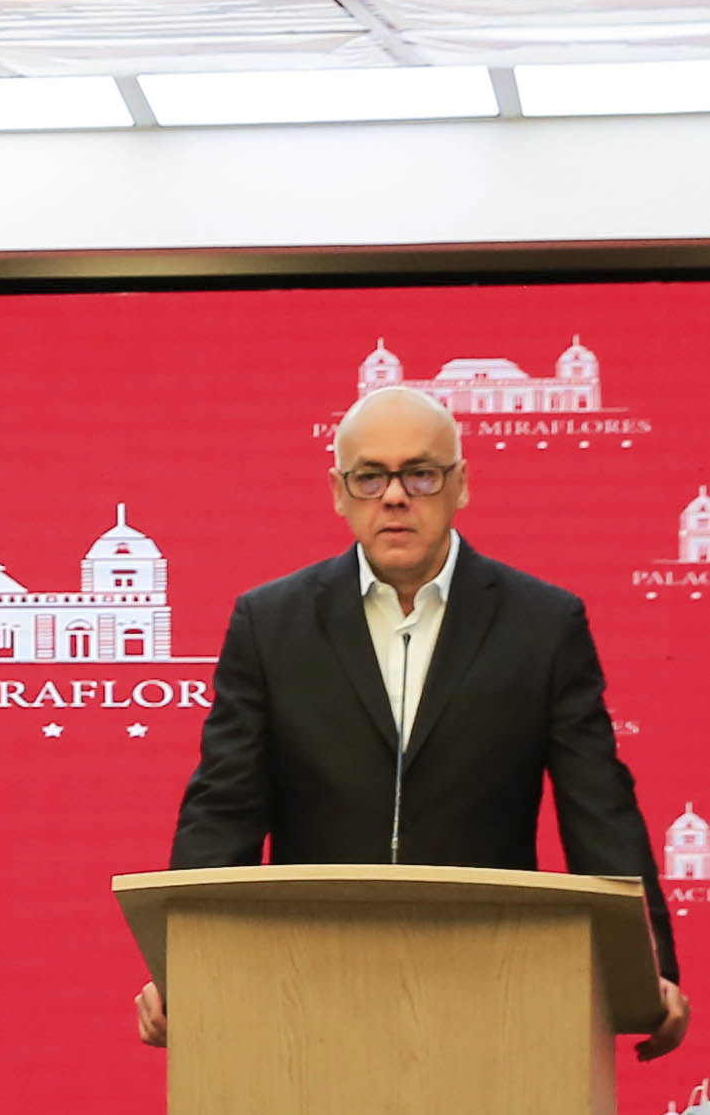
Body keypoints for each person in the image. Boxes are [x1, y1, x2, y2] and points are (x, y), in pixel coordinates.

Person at [138, 385, 688, 1058]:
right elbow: (223, 809)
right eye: (369, 476)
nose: (394, 496)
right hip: (307, 986)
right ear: (338, 492)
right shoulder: (269, 624)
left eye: (420, 473)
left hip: (492, 986)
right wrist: (178, 967)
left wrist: (646, 968)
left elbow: (596, 805)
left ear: (460, 485)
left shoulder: (542, 624)